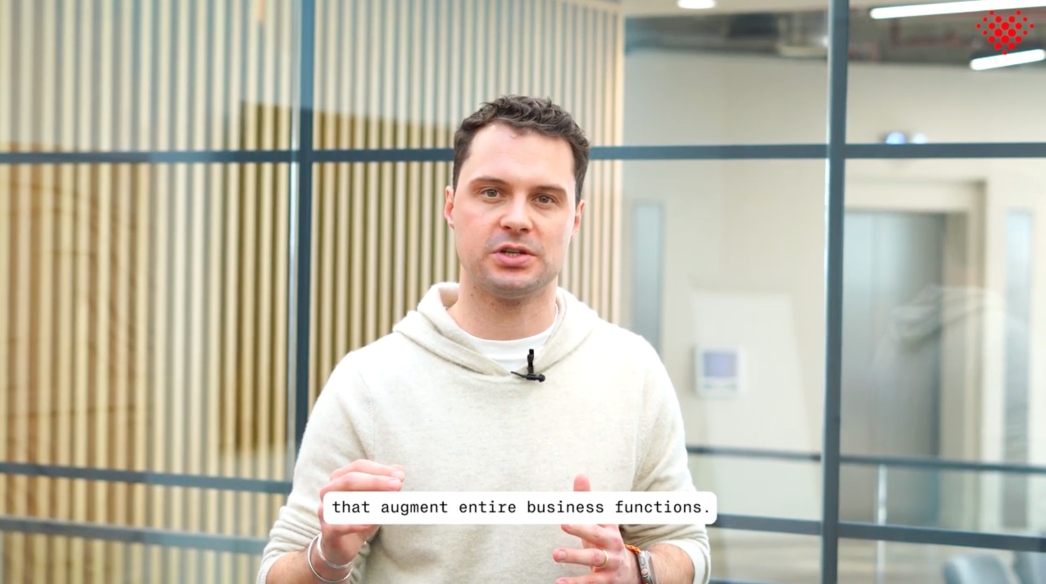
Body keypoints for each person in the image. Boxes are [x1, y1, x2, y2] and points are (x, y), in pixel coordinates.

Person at [257, 95, 711, 584]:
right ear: (451, 206)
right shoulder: (368, 383)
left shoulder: (632, 369)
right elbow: (276, 570)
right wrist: (327, 557)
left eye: (544, 198)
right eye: (492, 192)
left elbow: (686, 542)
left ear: (575, 219)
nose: (517, 218)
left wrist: (640, 572)